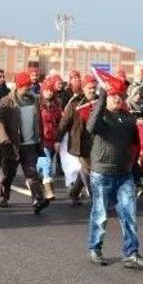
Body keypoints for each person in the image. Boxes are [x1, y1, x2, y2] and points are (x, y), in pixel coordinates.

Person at [86, 80, 143, 269]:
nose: (118, 99)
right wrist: (102, 97)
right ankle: (95, 249)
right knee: (101, 213)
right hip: (102, 172)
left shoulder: (127, 117)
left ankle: (131, 253)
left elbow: (138, 140)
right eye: (114, 96)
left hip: (124, 173)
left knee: (129, 213)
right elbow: (91, 127)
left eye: (121, 96)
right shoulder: (100, 114)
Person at [0, 71, 50, 213]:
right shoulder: (6, 101)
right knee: (7, 174)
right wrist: (4, 138)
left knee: (32, 174)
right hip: (12, 145)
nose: (29, 88)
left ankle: (38, 200)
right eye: (26, 85)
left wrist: (41, 139)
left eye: (29, 85)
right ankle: (3, 197)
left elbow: (39, 122)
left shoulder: (34, 99)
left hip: (30, 144)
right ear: (19, 86)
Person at [58, 75, 98, 206]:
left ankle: (74, 192)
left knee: (87, 170)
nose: (92, 90)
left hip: (97, 143)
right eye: (89, 88)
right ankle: (95, 198)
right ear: (84, 88)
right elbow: (64, 124)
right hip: (80, 143)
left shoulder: (99, 102)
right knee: (90, 169)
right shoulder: (75, 103)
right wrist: (57, 140)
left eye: (94, 87)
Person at [37, 78, 63, 200]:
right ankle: (48, 190)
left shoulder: (57, 105)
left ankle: (34, 178)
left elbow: (60, 124)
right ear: (42, 91)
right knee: (47, 163)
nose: (49, 93)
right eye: (47, 90)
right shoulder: (37, 104)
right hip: (41, 139)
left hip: (53, 139)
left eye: (51, 90)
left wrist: (58, 139)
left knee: (42, 165)